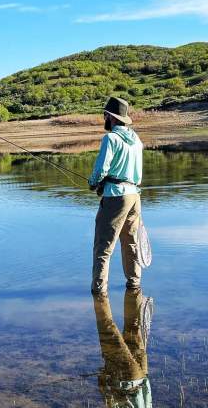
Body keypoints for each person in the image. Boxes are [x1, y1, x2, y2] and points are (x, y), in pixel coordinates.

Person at [89, 97, 143, 295]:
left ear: (110, 117)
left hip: (116, 197)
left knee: (103, 246)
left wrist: (93, 183)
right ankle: (134, 283)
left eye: (104, 115)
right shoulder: (136, 139)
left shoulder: (110, 139)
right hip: (134, 196)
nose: (104, 118)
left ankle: (99, 290)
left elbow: (101, 169)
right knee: (130, 242)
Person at [92, 289, 153, 407]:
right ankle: (99, 288)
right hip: (126, 379)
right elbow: (109, 397)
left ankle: (133, 283)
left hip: (142, 375)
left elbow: (147, 395)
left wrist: (144, 375)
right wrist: (102, 379)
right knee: (106, 327)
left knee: (133, 326)